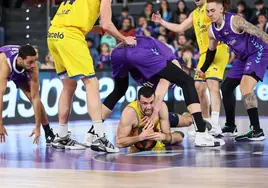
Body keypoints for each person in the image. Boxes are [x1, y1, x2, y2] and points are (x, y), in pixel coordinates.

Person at [92, 36, 225, 147]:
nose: (175, 83)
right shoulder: (168, 62)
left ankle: (93, 132)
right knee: (187, 81)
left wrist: (161, 131)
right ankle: (201, 130)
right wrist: (155, 112)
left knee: (119, 89)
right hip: (135, 51)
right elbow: (163, 89)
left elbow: (157, 93)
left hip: (118, 52)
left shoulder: (154, 67)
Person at [47, 0, 136, 152]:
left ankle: (62, 136)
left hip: (54, 34)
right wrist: (124, 38)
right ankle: (99, 137)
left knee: (69, 86)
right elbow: (107, 24)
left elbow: (73, 18)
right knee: (92, 84)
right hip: (70, 36)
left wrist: (95, 29)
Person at [151, 0, 230, 136]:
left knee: (212, 84)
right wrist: (162, 22)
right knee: (198, 88)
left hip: (218, 49)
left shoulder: (210, 7)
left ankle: (216, 123)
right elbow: (180, 28)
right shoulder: (195, 13)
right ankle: (206, 122)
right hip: (204, 54)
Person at [197, 0, 268, 141]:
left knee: (245, 87)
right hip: (242, 57)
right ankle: (230, 125)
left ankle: (257, 130)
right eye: (208, 11)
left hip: (258, 51)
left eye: (213, 10)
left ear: (221, 9)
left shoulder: (235, 21)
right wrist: (203, 69)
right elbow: (211, 51)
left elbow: (259, 33)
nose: (210, 14)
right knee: (226, 87)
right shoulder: (212, 31)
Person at [0, 45, 55, 145]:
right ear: (20, 59)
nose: (33, 65)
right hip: (4, 68)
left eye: (35, 61)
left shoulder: (32, 67)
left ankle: (48, 131)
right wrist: (0, 124)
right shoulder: (5, 63)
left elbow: (35, 98)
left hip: (19, 70)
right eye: (30, 62)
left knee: (31, 96)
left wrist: (38, 127)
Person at [116, 86, 186, 151]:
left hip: (162, 121)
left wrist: (164, 137)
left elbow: (167, 137)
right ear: (138, 102)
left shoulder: (161, 107)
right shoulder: (130, 112)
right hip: (139, 142)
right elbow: (119, 142)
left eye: (151, 102)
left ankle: (189, 115)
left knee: (187, 123)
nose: (149, 107)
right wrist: (140, 137)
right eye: (145, 103)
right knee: (179, 137)